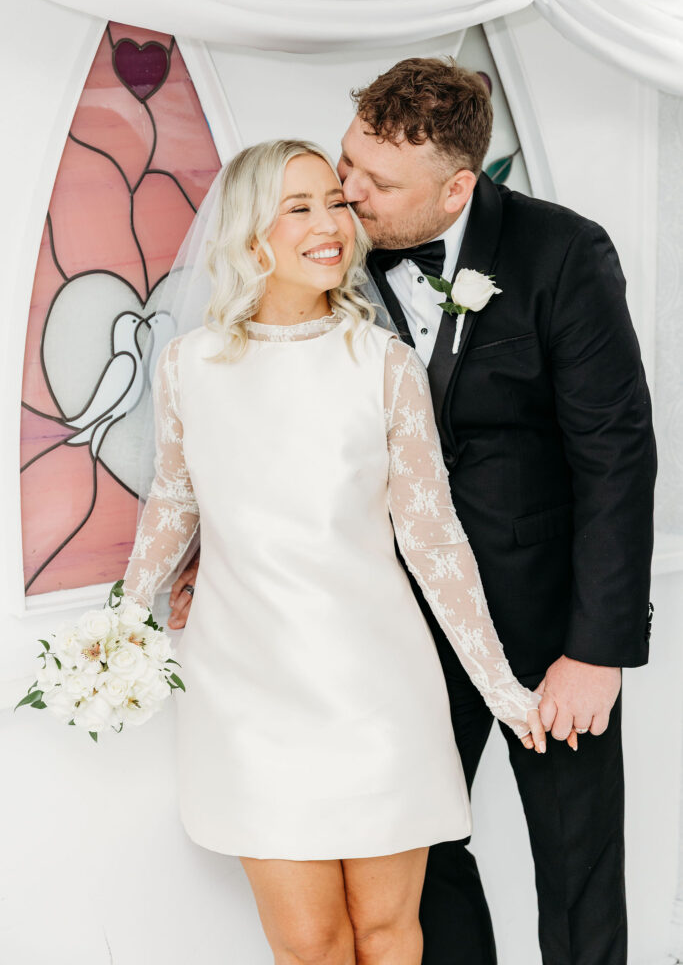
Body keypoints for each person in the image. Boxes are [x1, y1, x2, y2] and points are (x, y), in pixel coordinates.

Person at [169, 60, 657, 965]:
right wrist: (212, 544)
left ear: (455, 189)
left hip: (543, 616)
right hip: (390, 633)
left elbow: (616, 456)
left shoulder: (561, 253)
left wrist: (597, 650)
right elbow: (272, 416)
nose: (348, 197)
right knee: (419, 863)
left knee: (575, 858)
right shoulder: (328, 249)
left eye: (377, 184)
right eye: (346, 166)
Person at [122, 138, 547, 965]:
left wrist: (500, 686)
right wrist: (120, 628)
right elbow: (173, 502)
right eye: (300, 207)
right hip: (246, 696)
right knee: (310, 942)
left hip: (377, 692)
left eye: (336, 204)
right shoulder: (187, 366)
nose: (330, 225)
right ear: (251, 234)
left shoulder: (383, 365)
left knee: (387, 934)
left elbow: (431, 535)